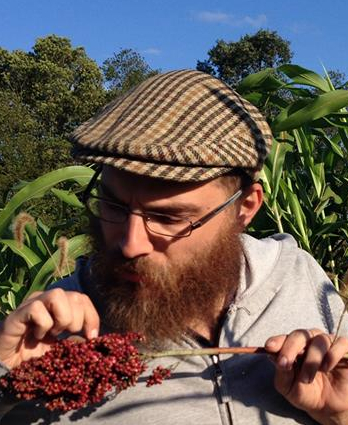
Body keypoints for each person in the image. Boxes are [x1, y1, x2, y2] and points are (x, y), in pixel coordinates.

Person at [0, 69, 348, 425]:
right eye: (113, 206)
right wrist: (3, 380)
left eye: (169, 219)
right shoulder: (48, 339)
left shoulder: (297, 277)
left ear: (245, 207)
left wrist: (338, 414)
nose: (130, 244)